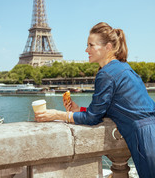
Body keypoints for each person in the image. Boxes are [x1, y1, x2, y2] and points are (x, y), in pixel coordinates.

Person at [35, 22, 155, 178]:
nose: (86, 50)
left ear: (108, 47)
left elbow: (93, 119)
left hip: (146, 140)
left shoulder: (105, 74)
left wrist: (57, 115)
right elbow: (115, 109)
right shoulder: (124, 68)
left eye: (91, 45)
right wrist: (80, 110)